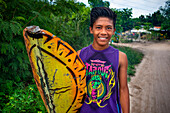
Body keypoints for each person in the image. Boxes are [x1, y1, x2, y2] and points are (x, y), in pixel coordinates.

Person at [77, 7, 130, 113]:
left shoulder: (120, 57)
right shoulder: (79, 55)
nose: (103, 32)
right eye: (99, 27)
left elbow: (123, 89)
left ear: (114, 31)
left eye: (108, 28)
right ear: (91, 29)